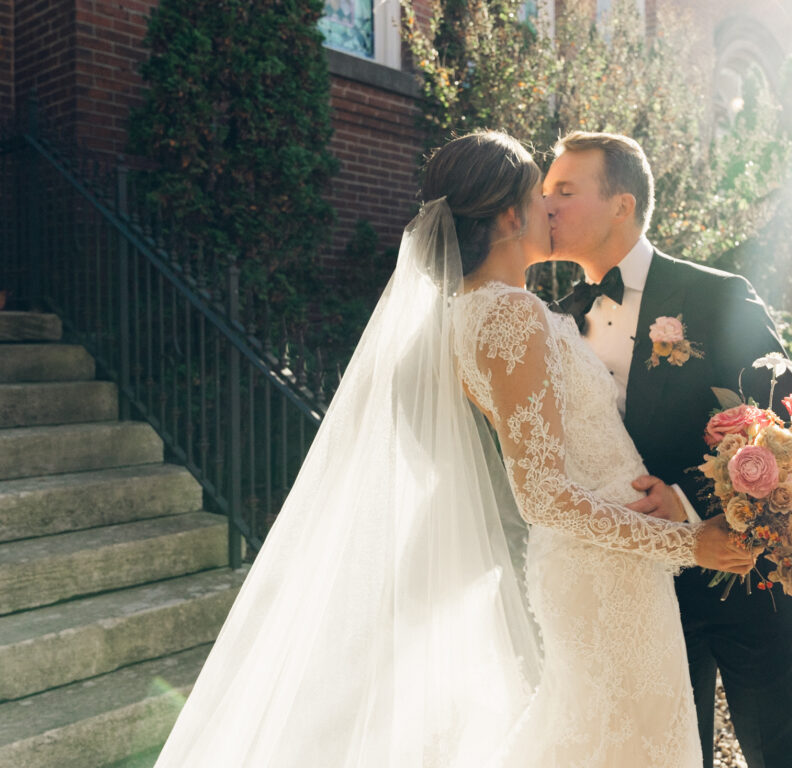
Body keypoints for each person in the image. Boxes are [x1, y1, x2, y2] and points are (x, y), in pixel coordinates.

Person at [152, 131, 753, 767]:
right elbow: (543, 498)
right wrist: (689, 543)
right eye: (538, 196)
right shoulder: (508, 316)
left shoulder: (488, 310)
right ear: (506, 215)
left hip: (613, 565)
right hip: (601, 573)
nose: (549, 210)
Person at [543, 131, 792, 768]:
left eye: (565, 190)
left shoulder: (715, 294)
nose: (547, 206)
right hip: (642, 590)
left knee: (785, 755)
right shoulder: (556, 321)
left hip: (747, 578)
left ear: (621, 204)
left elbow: (788, 430)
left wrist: (696, 509)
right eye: (543, 193)